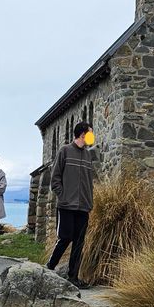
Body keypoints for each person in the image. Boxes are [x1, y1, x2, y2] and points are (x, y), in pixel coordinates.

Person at [46, 122, 98, 289]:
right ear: (82, 134)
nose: (92, 137)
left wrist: (89, 201)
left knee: (79, 242)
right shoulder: (65, 151)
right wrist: (64, 196)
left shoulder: (89, 155)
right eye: (90, 133)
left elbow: (90, 183)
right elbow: (55, 179)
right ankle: (49, 267)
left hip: (83, 207)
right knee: (65, 237)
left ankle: (73, 277)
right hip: (66, 206)